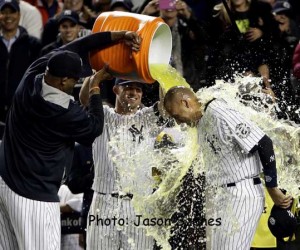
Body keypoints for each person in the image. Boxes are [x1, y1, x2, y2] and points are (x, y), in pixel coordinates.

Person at [0, 30, 141, 249]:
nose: (78, 82)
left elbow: (79, 44)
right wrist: (94, 87)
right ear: (65, 80)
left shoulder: (34, 73)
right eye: (77, 79)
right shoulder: (61, 112)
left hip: (5, 183)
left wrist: (116, 35)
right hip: (32, 196)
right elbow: (94, 128)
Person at [163, 86, 293, 250]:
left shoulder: (218, 111)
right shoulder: (200, 121)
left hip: (241, 193)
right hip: (220, 195)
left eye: (176, 115)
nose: (178, 122)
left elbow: (264, 143)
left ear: (185, 103)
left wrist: (273, 189)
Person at [80, 78, 166, 250]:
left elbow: (166, 105)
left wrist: (160, 74)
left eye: (138, 89)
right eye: (127, 88)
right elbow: (83, 99)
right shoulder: (102, 115)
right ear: (116, 90)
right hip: (104, 202)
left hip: (139, 206)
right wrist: (96, 76)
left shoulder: (147, 117)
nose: (133, 93)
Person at [0, 0, 41, 139]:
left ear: (19, 14)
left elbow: (37, 79)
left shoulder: (33, 45)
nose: (8, 16)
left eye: (11, 11)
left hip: (22, 113)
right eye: (3, 12)